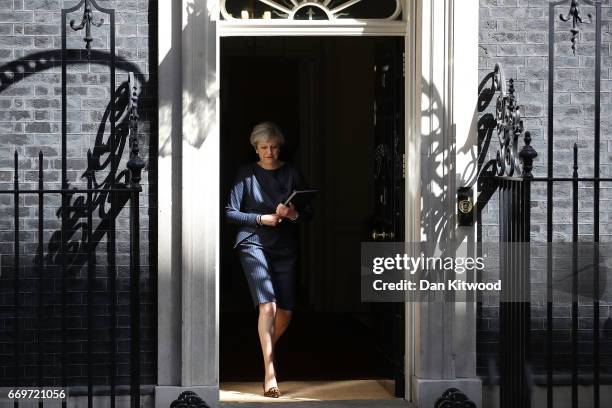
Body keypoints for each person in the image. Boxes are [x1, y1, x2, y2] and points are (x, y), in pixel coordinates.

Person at [225, 121, 312, 398]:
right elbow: (230, 212)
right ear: (256, 148)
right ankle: (270, 372)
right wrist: (261, 218)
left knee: (286, 311)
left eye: (274, 147)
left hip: (284, 246)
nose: (270, 152)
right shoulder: (246, 174)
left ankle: (264, 350)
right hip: (252, 242)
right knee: (269, 307)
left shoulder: (291, 173)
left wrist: (291, 215)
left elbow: (308, 214)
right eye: (264, 147)